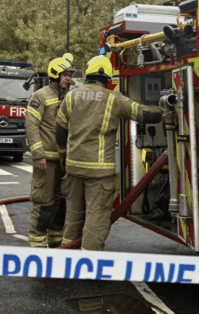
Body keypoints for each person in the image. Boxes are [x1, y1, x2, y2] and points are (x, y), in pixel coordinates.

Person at [55, 55, 162, 251]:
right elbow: (143, 114)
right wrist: (167, 109)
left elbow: (60, 129)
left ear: (88, 75)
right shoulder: (114, 98)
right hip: (99, 172)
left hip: (73, 168)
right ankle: (88, 261)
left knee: (73, 215)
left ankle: (67, 255)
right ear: (107, 77)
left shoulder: (71, 96)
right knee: (96, 218)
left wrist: (63, 155)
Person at [24, 56, 76, 248]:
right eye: (64, 74)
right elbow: (31, 126)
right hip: (46, 162)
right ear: (54, 75)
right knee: (44, 205)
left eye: (69, 75)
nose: (68, 78)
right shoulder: (41, 96)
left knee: (61, 205)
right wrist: (38, 155)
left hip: (65, 162)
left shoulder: (70, 97)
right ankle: (37, 246)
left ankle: (56, 244)